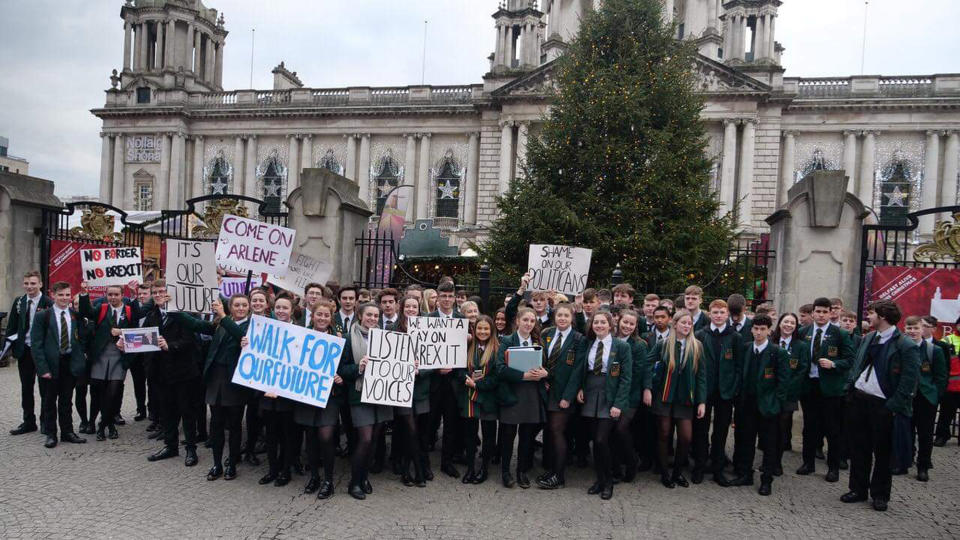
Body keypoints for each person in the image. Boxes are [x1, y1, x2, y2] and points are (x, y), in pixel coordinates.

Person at [842, 300, 920, 512]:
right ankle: (858, 489)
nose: (868, 317)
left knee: (883, 452)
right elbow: (857, 365)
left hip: (883, 405)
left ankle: (880, 494)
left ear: (883, 316)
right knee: (859, 448)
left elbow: (909, 380)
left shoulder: (906, 345)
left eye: (872, 313)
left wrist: (892, 406)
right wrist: (850, 389)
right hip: (859, 400)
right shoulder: (869, 338)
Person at [138, 280, 205, 467]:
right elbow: (142, 338)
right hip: (161, 373)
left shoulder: (183, 314)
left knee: (187, 411)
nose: (159, 295)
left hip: (184, 373)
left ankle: (191, 449)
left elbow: (190, 340)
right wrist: (125, 343)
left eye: (162, 291)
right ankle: (170, 446)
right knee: (167, 411)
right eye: (156, 292)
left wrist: (171, 346)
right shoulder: (152, 315)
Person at [643, 310, 706, 488]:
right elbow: (647, 364)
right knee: (663, 433)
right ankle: (664, 473)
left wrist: (701, 401)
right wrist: (647, 388)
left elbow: (701, 375)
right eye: (683, 323)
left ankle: (678, 472)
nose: (686, 326)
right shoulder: (663, 344)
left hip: (685, 397)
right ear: (675, 324)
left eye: (689, 323)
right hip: (664, 395)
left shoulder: (697, 346)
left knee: (686, 437)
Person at [728, 315, 790, 496]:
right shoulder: (746, 348)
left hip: (768, 406)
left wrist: (776, 404)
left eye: (763, 329)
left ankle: (766, 479)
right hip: (747, 404)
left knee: (769, 444)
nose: (758, 332)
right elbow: (740, 374)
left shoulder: (777, 352)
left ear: (769, 330)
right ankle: (745, 474)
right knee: (746, 441)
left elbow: (783, 382)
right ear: (751, 329)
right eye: (755, 329)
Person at [339, 303, 394, 500]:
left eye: (375, 315)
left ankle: (364, 477)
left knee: (374, 441)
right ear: (360, 316)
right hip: (359, 396)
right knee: (366, 439)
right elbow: (341, 370)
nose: (372, 318)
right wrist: (358, 367)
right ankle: (354, 482)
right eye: (368, 314)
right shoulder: (348, 339)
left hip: (382, 395)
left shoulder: (388, 338)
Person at [797, 297, 854, 482]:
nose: (821, 315)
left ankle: (833, 467)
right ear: (813, 313)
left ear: (831, 313)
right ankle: (808, 463)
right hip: (809, 386)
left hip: (831, 388)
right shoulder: (803, 332)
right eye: (818, 311)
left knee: (832, 428)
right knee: (809, 427)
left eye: (824, 312)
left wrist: (834, 364)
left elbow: (850, 360)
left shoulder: (840, 334)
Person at [577, 311, 632, 500]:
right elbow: (583, 370)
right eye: (595, 322)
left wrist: (618, 403)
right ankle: (599, 480)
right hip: (591, 393)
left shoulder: (621, 346)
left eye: (602, 322)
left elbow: (626, 378)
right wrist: (581, 388)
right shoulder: (588, 343)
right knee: (594, 440)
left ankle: (608, 482)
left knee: (602, 440)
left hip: (610, 394)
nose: (599, 325)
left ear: (610, 325)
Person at [294, 299, 343, 499]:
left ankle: (329, 480)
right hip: (307, 394)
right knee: (311, 438)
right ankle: (314, 476)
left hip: (329, 397)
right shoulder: (300, 337)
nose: (322, 318)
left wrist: (341, 378)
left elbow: (347, 366)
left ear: (331, 318)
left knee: (326, 437)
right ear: (312, 316)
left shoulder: (340, 339)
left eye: (326, 315)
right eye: (319, 314)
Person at [692, 299, 744, 486]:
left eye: (722, 312)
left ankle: (718, 469)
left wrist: (733, 388)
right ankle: (699, 466)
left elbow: (739, 367)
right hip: (704, 392)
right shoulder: (700, 335)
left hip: (725, 392)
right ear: (710, 314)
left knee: (721, 432)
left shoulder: (735, 337)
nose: (719, 315)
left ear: (727, 314)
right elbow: (695, 364)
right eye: (715, 312)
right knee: (701, 430)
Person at [495, 307, 548, 488]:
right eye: (525, 320)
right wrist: (524, 376)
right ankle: (505, 472)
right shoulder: (508, 340)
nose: (528, 324)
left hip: (531, 394)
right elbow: (500, 368)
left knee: (526, 435)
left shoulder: (538, 341)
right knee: (508, 434)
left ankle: (521, 471)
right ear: (518, 321)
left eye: (532, 321)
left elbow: (546, 366)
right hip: (512, 392)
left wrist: (544, 373)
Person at [30, 281, 87, 448]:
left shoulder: (74, 315)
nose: (64, 298)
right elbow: (36, 344)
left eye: (67, 295)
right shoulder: (43, 316)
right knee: (49, 401)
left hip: (69, 363)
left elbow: (82, 337)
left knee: (66, 400)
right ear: (53, 295)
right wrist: (43, 368)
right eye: (61, 295)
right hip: (50, 364)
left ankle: (67, 431)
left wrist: (80, 357)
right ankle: (51, 433)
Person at [78, 283, 137, 441]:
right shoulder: (102, 309)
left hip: (119, 357)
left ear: (122, 295)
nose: (113, 297)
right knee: (97, 391)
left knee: (112, 392)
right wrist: (84, 294)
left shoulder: (130, 311)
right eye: (110, 294)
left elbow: (138, 332)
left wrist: (122, 332)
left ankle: (105, 424)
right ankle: (95, 422)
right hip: (100, 356)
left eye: (116, 294)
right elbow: (86, 312)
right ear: (106, 295)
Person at [204, 296, 252, 481]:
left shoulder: (250, 326)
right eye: (237, 305)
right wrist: (174, 310)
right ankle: (216, 464)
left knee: (234, 425)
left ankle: (232, 463)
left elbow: (240, 335)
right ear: (231, 307)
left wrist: (223, 316)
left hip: (235, 382)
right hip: (216, 379)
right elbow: (195, 324)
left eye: (244, 305)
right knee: (216, 424)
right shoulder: (221, 323)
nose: (240, 308)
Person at [536, 303, 583, 490]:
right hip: (547, 389)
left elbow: (578, 372)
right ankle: (552, 469)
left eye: (566, 315)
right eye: (559, 315)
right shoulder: (547, 334)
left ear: (572, 318)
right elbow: (541, 360)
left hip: (564, 394)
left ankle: (559, 476)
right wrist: (543, 377)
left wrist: (568, 397)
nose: (562, 318)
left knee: (557, 431)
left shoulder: (578, 339)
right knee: (549, 430)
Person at [392, 295, 432, 487]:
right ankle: (417, 470)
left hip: (421, 389)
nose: (410, 309)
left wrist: (420, 369)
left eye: (413, 307)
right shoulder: (392, 329)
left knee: (416, 431)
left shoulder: (427, 329)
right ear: (402, 308)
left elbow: (434, 359)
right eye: (407, 306)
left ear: (419, 309)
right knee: (410, 429)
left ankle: (409, 468)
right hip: (400, 389)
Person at [7, 270, 53, 436]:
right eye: (26, 283)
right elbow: (12, 325)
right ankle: (28, 422)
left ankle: (45, 422)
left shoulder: (48, 302)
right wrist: (11, 347)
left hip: (42, 352)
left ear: (40, 284)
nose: (29, 287)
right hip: (25, 350)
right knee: (26, 388)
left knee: (44, 389)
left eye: (33, 283)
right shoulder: (19, 302)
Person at [456, 315, 500, 485]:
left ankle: (485, 469)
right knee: (470, 434)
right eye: (479, 328)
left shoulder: (497, 349)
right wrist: (465, 379)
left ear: (491, 330)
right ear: (474, 330)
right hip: (469, 397)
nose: (482, 332)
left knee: (489, 435)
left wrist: (479, 385)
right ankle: (470, 468)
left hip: (488, 396)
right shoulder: (466, 347)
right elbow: (458, 368)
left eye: (486, 329)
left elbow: (497, 376)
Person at [903, 316, 947, 482]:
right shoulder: (902, 347)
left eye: (916, 328)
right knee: (906, 431)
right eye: (909, 328)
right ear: (905, 329)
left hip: (925, 398)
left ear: (923, 329)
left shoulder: (933, 350)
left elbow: (941, 376)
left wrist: (935, 396)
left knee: (925, 434)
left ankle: (923, 465)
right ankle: (905, 460)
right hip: (906, 397)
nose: (912, 332)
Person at [428, 282, 464, 479]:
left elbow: (465, 354)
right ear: (438, 298)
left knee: (451, 425)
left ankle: (447, 462)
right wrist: (435, 367)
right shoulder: (428, 319)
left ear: (455, 298)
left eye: (451, 296)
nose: (447, 300)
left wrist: (455, 367)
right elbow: (423, 351)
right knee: (429, 423)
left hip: (453, 382)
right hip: (433, 380)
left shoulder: (461, 319)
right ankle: (424, 462)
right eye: (444, 296)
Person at [613, 308, 649, 482]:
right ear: (618, 321)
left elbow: (637, 373)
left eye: (631, 324)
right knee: (612, 430)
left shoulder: (640, 345)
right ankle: (616, 465)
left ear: (636, 326)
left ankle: (632, 460)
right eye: (625, 322)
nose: (627, 326)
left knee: (621, 428)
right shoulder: (610, 340)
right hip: (610, 394)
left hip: (630, 395)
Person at [770, 313, 809, 474]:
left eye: (792, 323)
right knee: (769, 428)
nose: (788, 325)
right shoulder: (771, 342)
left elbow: (802, 370)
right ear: (779, 324)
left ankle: (777, 462)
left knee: (782, 428)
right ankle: (768, 459)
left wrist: (785, 388)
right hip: (770, 393)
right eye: (786, 321)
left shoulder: (801, 346)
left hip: (788, 395)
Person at [128, 282, 153, 422]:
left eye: (145, 294)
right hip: (136, 352)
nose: (142, 296)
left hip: (150, 353)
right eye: (140, 294)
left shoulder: (154, 309)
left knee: (152, 383)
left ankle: (152, 410)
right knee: (138, 383)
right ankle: (140, 409)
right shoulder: (134, 306)